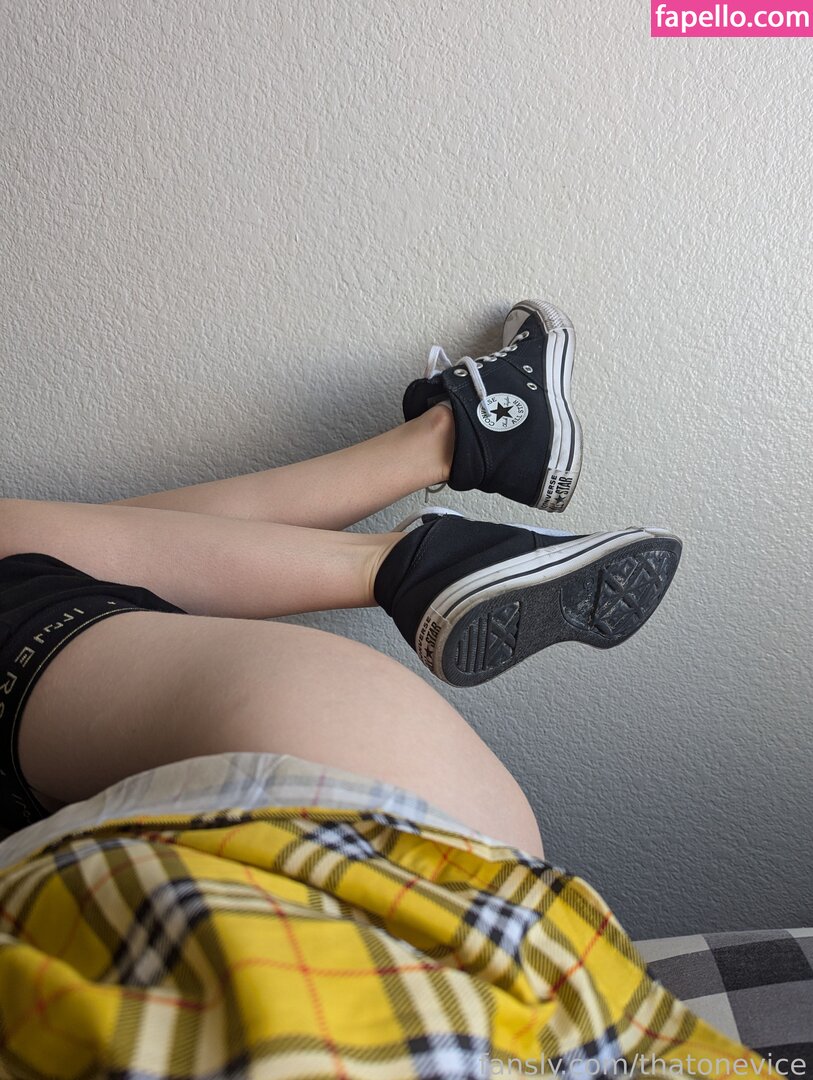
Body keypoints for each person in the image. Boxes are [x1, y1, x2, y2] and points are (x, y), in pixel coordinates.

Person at [0, 298, 681, 844]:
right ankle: (434, 508)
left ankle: (448, 470)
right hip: (449, 835)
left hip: (461, 862)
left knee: (31, 545)